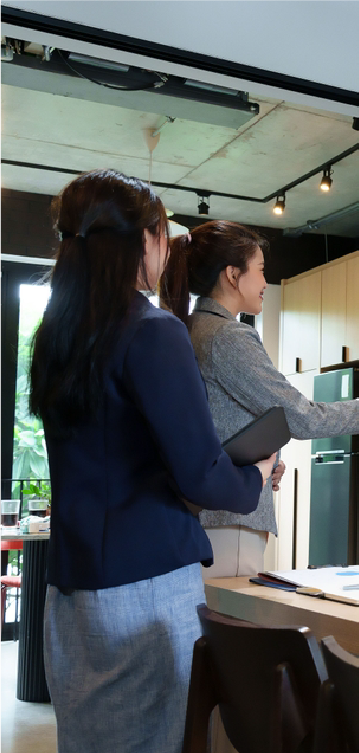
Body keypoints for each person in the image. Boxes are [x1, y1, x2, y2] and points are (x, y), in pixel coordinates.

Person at [30, 170, 278, 753]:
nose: (168, 250)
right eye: (164, 235)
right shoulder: (152, 330)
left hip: (71, 591)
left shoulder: (57, 334)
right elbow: (200, 472)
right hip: (144, 589)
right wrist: (256, 475)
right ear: (143, 242)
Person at [162, 220, 359, 577]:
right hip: (229, 521)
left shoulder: (189, 328)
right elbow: (298, 414)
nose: (265, 283)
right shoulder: (229, 336)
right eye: (261, 271)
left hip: (205, 514)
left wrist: (263, 466)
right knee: (233, 627)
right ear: (233, 275)